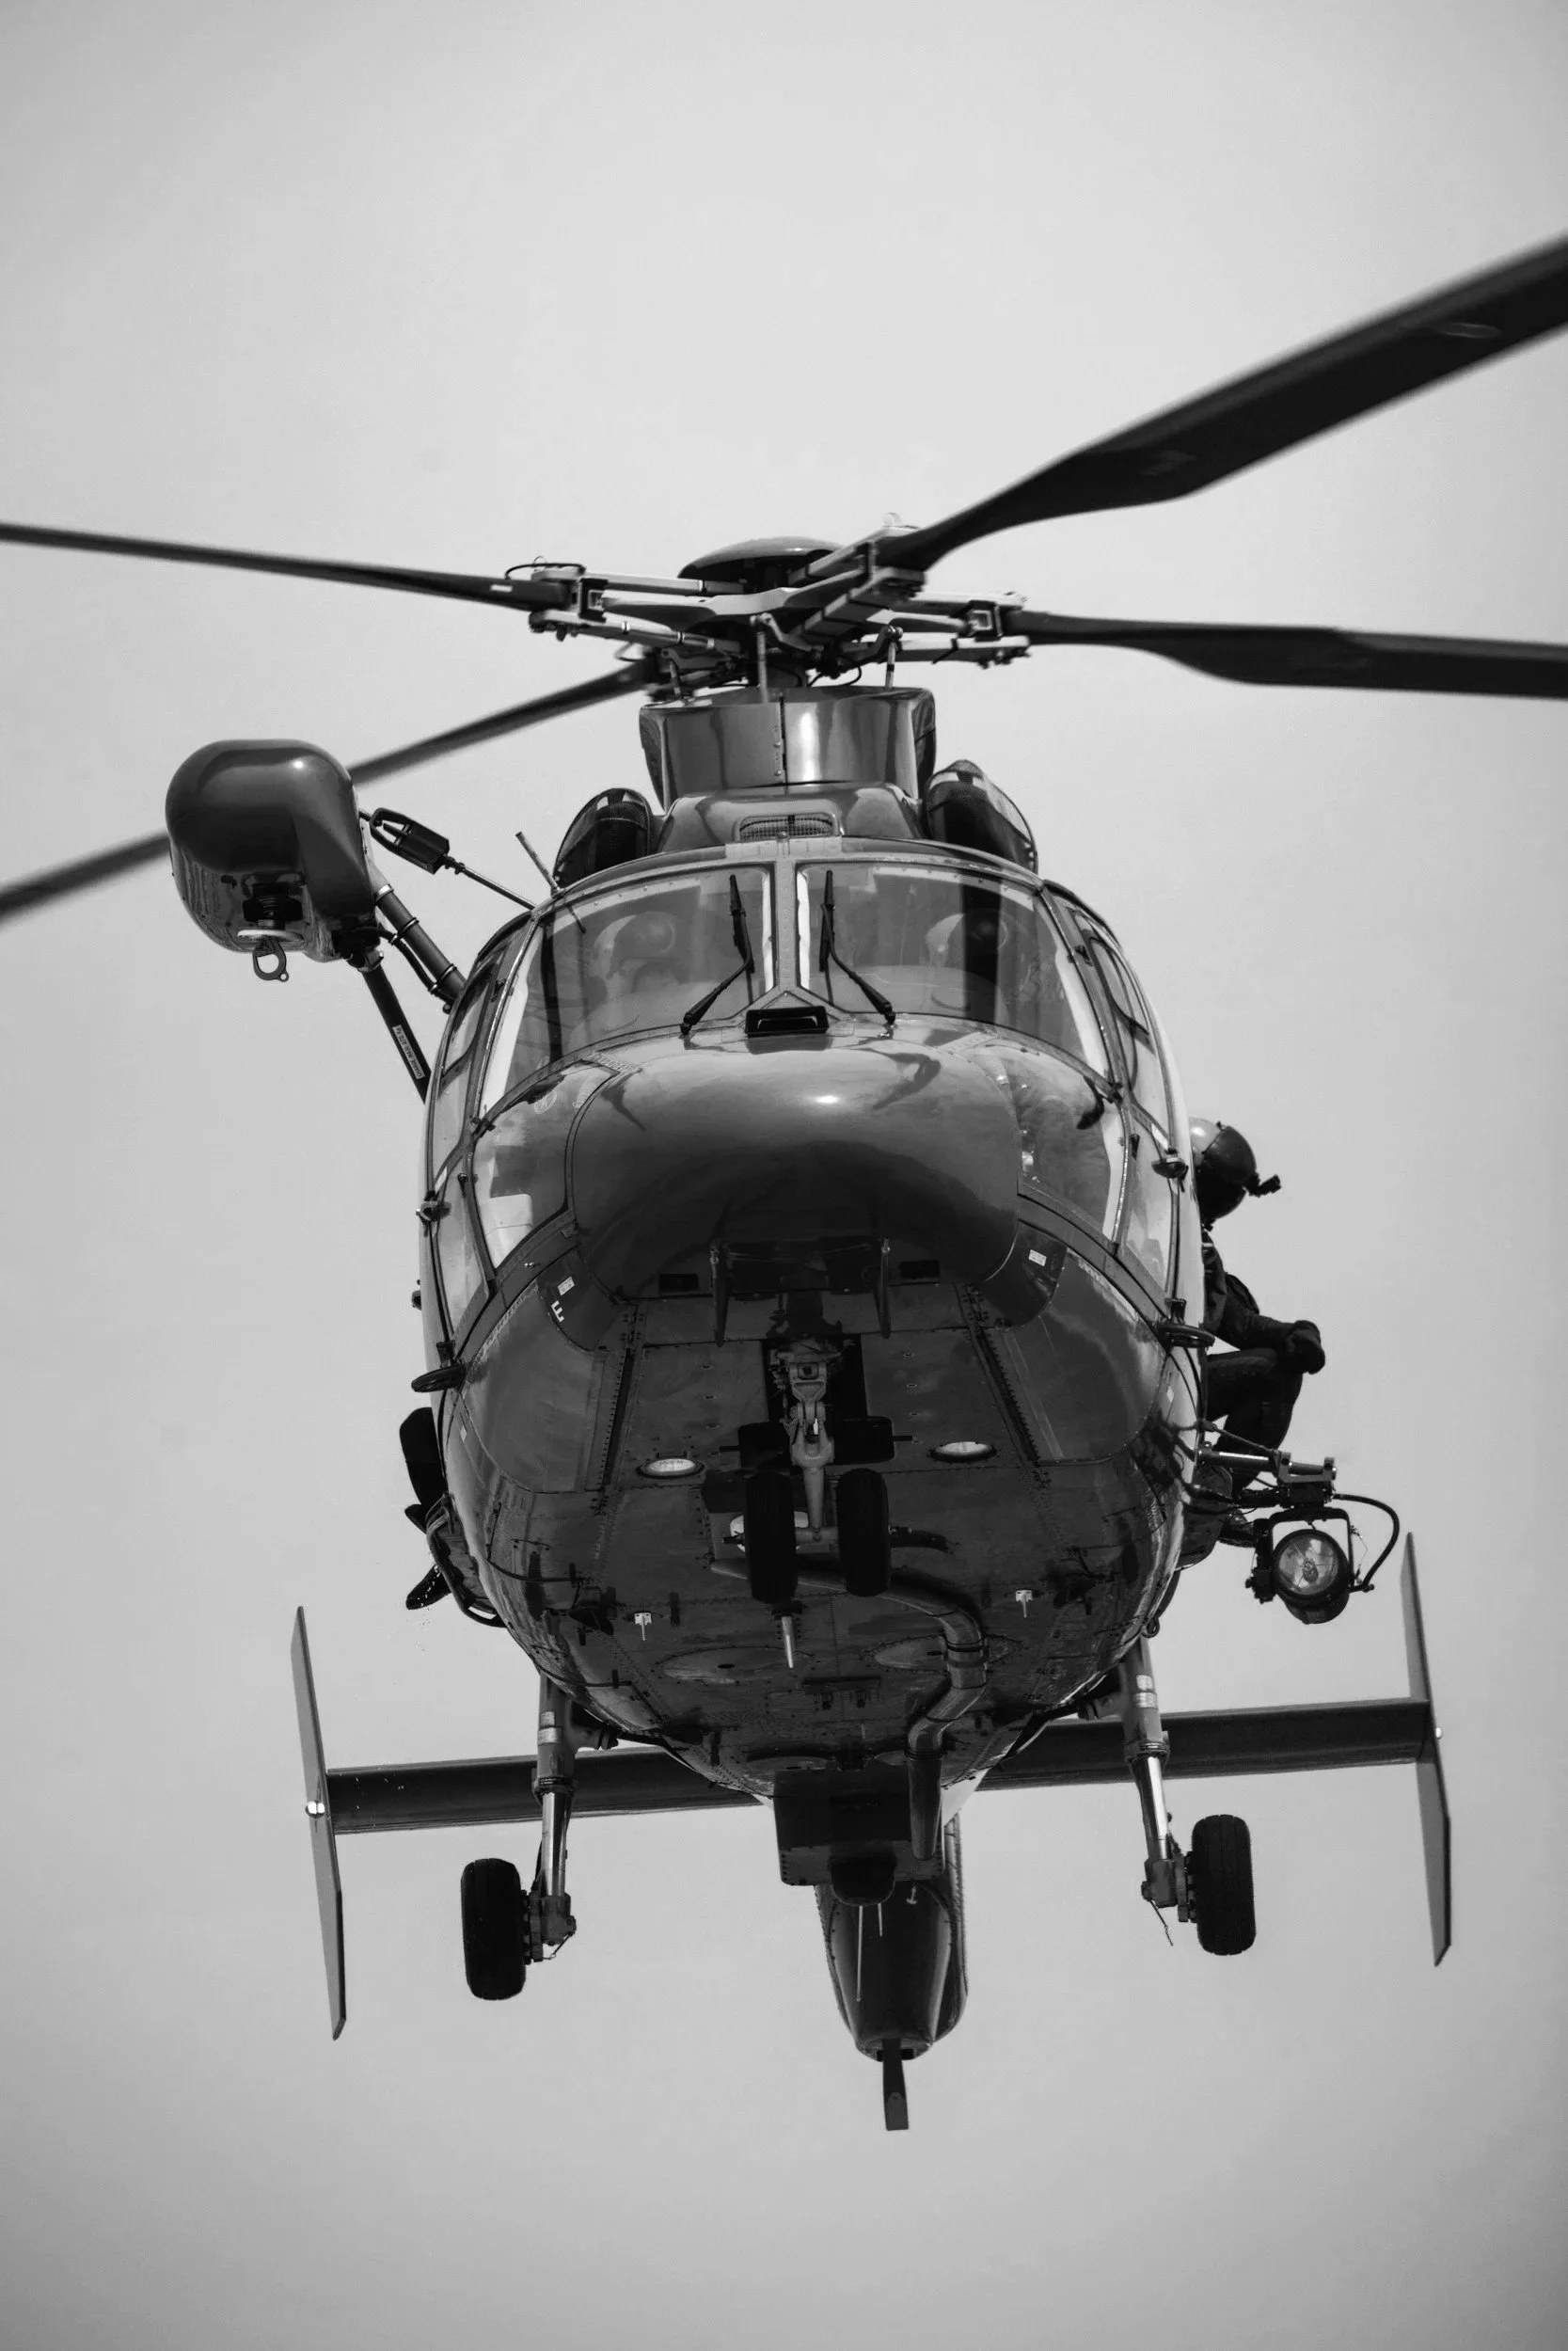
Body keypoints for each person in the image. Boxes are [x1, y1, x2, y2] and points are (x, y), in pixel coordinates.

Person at [1194, 1120, 1324, 1466]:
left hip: (1158, 1377)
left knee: (1276, 1371)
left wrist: (1296, 1332)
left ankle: (1218, 1493)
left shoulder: (1197, 1256)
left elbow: (1242, 1326)